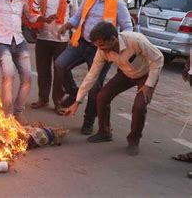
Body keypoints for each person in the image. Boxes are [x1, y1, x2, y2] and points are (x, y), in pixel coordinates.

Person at [63, 22, 163, 156]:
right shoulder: (101, 51)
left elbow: (158, 58)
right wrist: (77, 101)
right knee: (102, 97)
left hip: (146, 75)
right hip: (125, 73)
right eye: (98, 46)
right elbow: (91, 75)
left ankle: (134, 140)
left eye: (103, 45)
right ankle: (104, 132)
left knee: (139, 106)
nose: (100, 49)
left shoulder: (135, 40)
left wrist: (149, 85)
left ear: (113, 39)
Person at [55, 0, 133, 135]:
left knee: (95, 88)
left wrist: (118, 46)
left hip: (101, 50)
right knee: (60, 65)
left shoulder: (118, 3)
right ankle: (74, 92)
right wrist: (67, 25)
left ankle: (88, 122)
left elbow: (128, 28)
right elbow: (77, 17)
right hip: (81, 43)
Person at [30, 0, 78, 113]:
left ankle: (58, 102)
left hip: (61, 40)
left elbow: (76, 16)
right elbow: (32, 12)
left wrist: (75, 37)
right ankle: (43, 99)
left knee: (60, 73)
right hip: (43, 37)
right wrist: (42, 19)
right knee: (43, 71)